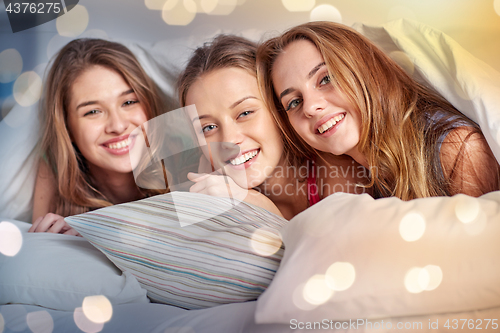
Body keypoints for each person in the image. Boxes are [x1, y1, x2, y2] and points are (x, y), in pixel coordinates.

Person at [257, 22, 500, 200]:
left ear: (365, 72)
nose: (310, 107)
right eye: (294, 102)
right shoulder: (345, 176)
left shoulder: (457, 149)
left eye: (326, 78)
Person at [177, 35, 368, 219]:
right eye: (208, 128)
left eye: (245, 113)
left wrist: (264, 211)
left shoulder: (339, 174)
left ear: (279, 109)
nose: (228, 140)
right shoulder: (202, 195)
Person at [30, 38, 171, 235]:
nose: (118, 125)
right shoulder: (53, 165)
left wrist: (103, 231)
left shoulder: (187, 154)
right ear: (67, 128)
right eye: (93, 112)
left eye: (129, 102)